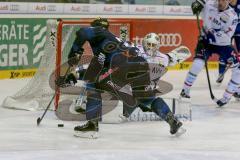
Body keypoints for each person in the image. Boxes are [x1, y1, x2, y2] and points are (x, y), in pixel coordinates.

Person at [121, 32, 191, 135]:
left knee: (150, 100)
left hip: (141, 92)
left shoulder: (163, 58)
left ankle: (173, 122)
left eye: (153, 45)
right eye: (148, 44)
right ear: (144, 43)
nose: (150, 47)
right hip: (129, 90)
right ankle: (173, 121)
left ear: (157, 46)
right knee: (124, 113)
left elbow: (184, 53)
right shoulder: (136, 49)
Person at [180, 0, 240, 107]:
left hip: (223, 45)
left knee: (239, 70)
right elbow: (200, 2)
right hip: (206, 42)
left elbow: (227, 35)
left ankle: (226, 97)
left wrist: (213, 34)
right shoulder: (209, 4)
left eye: (223, 0)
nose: (220, 2)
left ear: (228, 1)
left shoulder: (233, 16)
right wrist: (196, 4)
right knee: (197, 64)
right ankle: (185, 91)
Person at [217, 0, 240, 99]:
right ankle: (221, 72)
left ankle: (237, 89)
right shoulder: (225, 4)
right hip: (228, 32)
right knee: (224, 53)